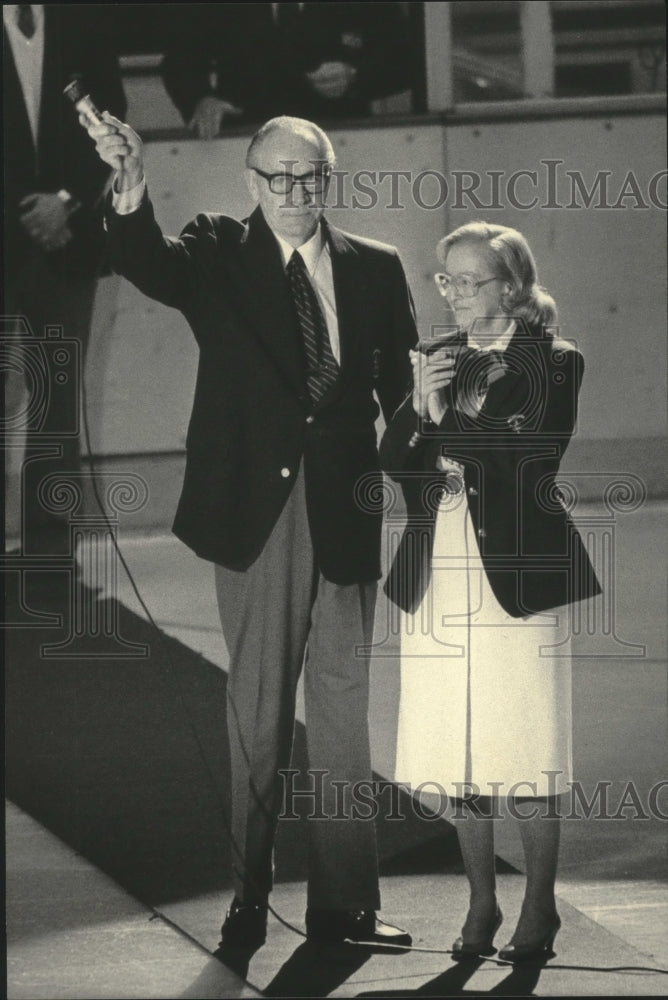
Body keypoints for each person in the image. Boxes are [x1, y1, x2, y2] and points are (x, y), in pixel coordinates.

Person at [82, 110, 417, 950]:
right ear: (251, 182)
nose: (298, 194)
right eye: (280, 178)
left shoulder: (377, 269)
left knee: (343, 718)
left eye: (313, 177)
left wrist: (435, 445)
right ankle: (248, 892)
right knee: (258, 712)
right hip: (254, 515)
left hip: (346, 514)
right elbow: (141, 260)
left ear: (329, 179)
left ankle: (347, 906)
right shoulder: (216, 251)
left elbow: (406, 404)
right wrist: (127, 180)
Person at [380, 222, 601, 963]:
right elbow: (396, 460)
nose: (454, 294)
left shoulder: (555, 361)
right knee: (458, 748)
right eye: (445, 281)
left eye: (469, 281)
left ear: (511, 286)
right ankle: (481, 903)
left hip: (515, 568)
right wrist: (416, 410)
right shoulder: (438, 357)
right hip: (439, 565)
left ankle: (539, 908)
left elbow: (527, 455)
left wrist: (443, 421)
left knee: (527, 741)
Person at [3, 4, 126, 557]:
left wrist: (65, 203)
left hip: (68, 239)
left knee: (55, 399)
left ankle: (50, 554)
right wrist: (26, 214)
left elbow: (111, 119)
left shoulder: (85, 17)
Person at [161, 2, 413, 138]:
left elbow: (405, 58)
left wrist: (356, 76)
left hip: (341, 144)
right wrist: (201, 99)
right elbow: (180, 60)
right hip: (244, 143)